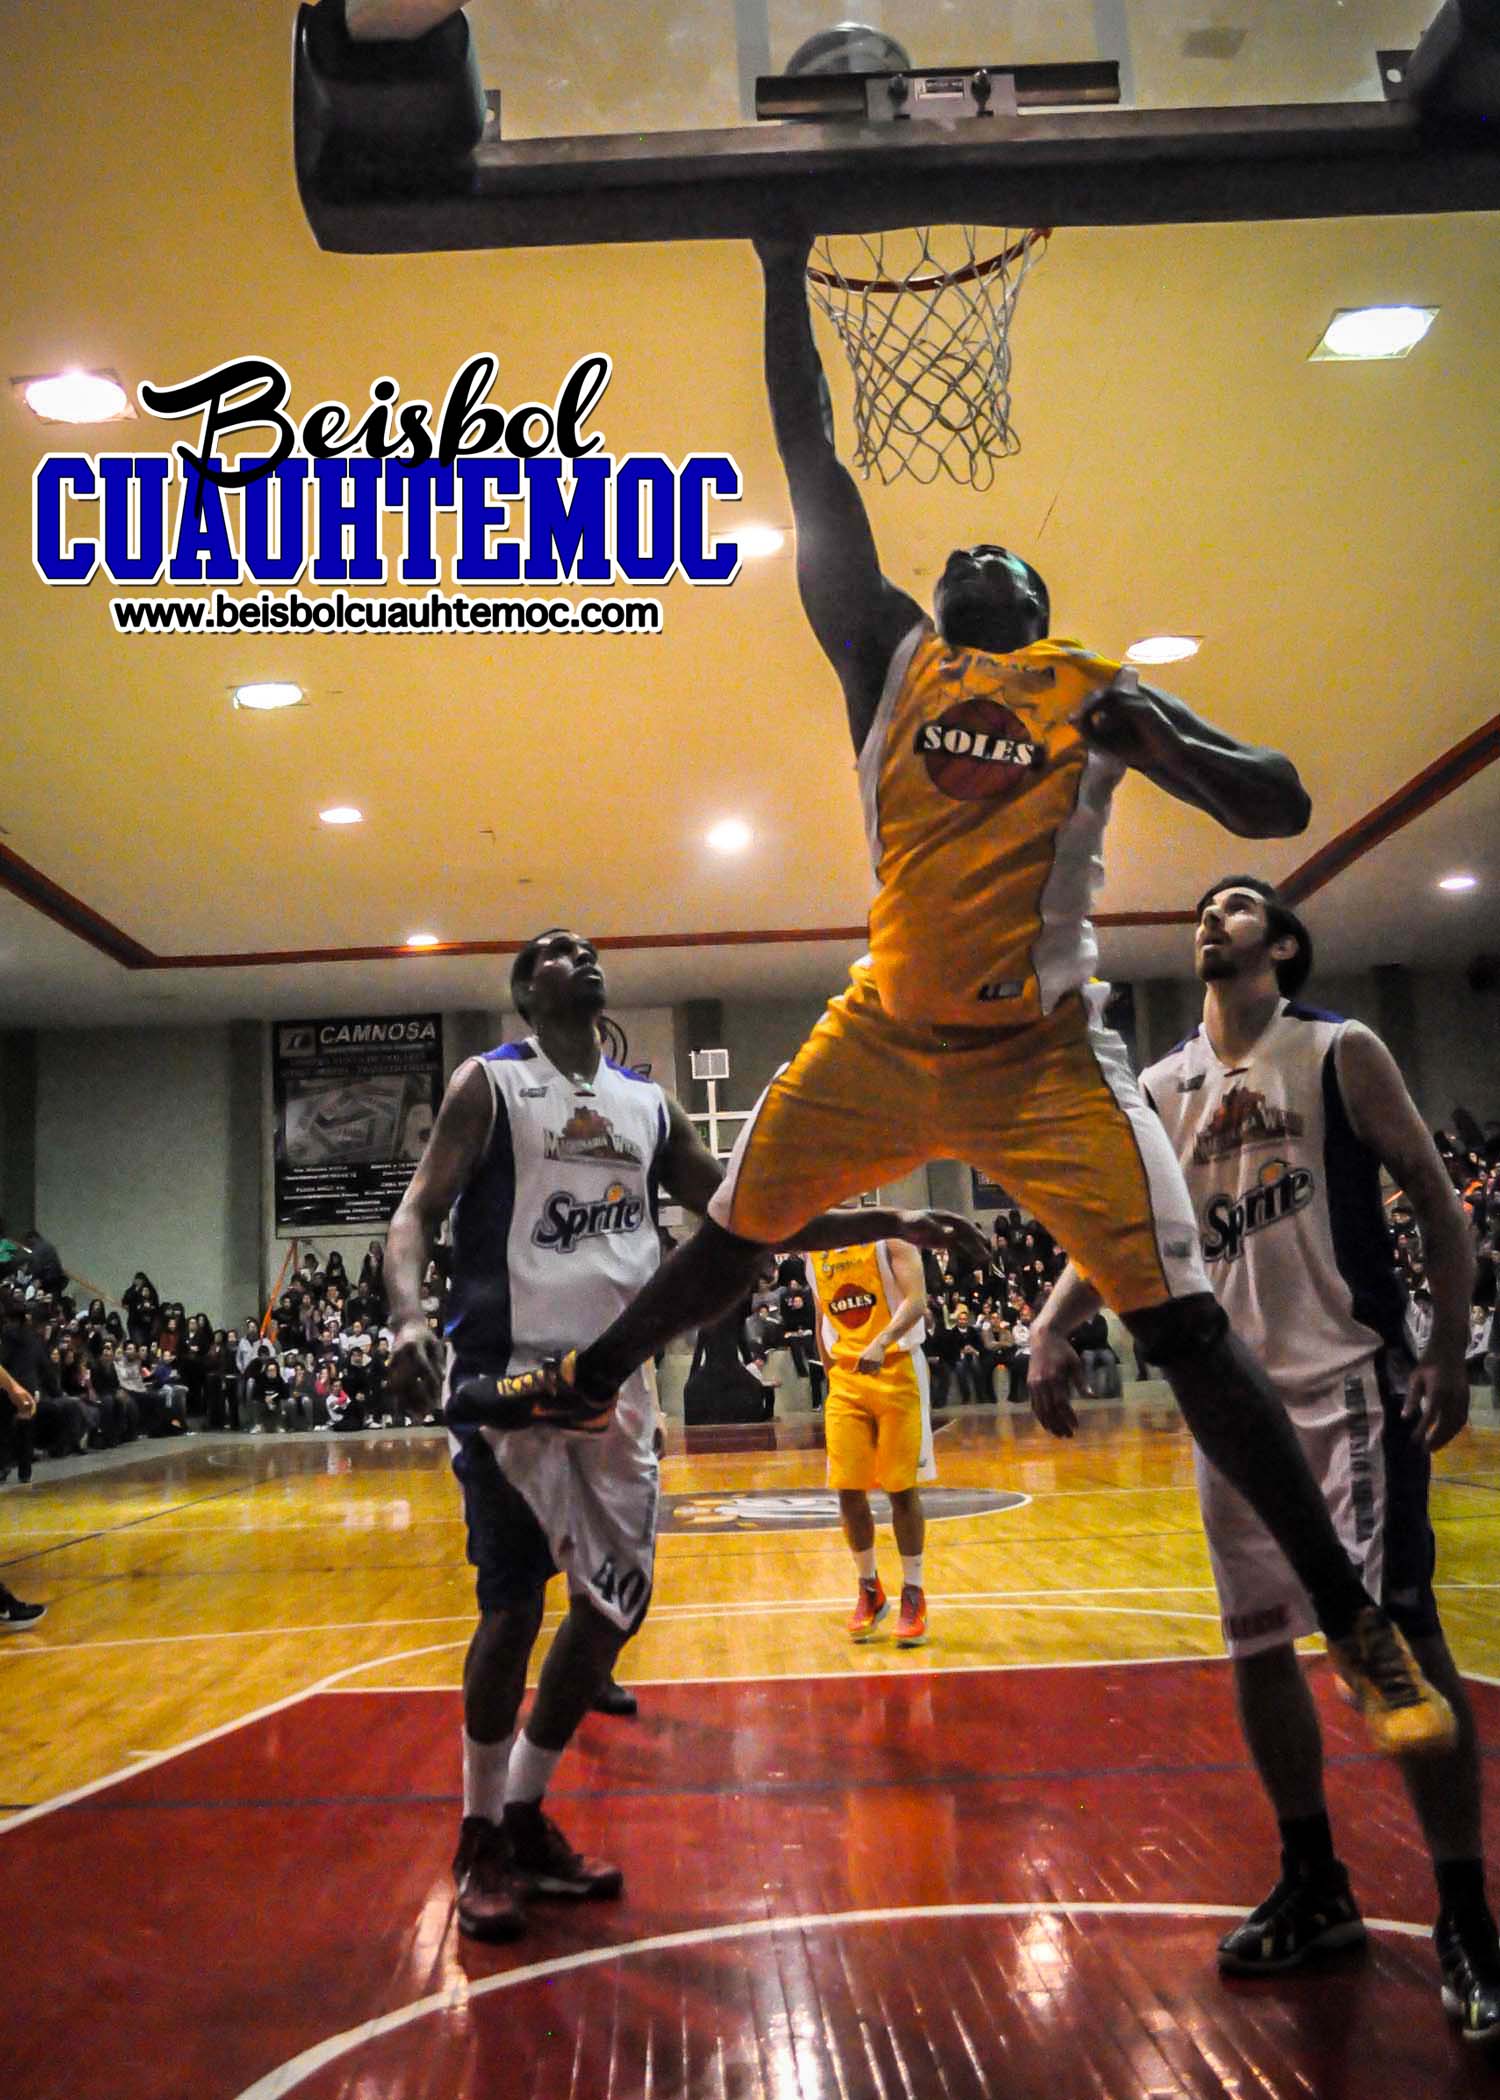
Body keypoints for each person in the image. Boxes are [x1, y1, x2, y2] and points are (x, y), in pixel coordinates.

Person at [475, 233, 1452, 1762]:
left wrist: (1153, 732)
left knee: (1190, 1334)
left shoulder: (1094, 691)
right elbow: (811, 461)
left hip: (1043, 1057)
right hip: (883, 1032)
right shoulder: (891, 654)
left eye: (1008, 557)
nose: (980, 553)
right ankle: (587, 1383)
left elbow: (1280, 803)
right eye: (962, 555)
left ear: (1043, 608)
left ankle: (1355, 1618)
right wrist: (780, 266)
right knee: (735, 1227)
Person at [386, 925, 983, 1944]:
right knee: (512, 1606)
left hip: (616, 1387)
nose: (581, 954)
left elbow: (751, 1215)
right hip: (511, 1379)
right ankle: (478, 1835)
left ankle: (524, 1811)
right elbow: (415, 1213)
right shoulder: (490, 1085)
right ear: (527, 990)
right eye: (555, 951)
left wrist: (887, 1223)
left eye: (587, 947)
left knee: (614, 1608)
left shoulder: (646, 1105)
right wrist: (406, 1316)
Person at [1028, 875, 1497, 2040]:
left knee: (1399, 1636)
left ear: (1282, 943)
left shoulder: (1338, 1050)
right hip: (1231, 1405)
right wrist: (1048, 1324)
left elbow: (1437, 1202)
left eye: (1239, 904)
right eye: (1206, 906)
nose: (1213, 915)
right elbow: (1120, 1229)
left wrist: (1444, 1349)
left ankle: (1467, 1916)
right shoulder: (1159, 1086)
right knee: (1256, 1647)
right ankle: (1314, 1880)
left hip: (1348, 1383)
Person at [808, 1237, 934, 1644]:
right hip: (846, 1377)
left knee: (901, 1488)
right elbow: (821, 1316)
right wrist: (831, 1373)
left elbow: (917, 1301)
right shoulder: (815, 1250)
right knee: (847, 1488)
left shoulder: (891, 1238)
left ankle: (913, 1592)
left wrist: (882, 1341)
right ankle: (869, 1589)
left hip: (898, 1368)